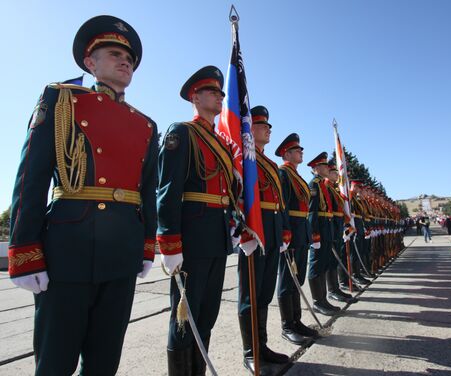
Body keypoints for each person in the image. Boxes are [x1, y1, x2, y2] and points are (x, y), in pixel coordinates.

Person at [8, 15, 157, 375]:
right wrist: (24, 250)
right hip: (68, 248)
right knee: (56, 360)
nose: (125, 62)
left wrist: (147, 244)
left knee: (105, 360)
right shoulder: (62, 100)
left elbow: (147, 191)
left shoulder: (145, 124)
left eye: (130, 59)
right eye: (114, 53)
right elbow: (31, 176)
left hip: (122, 249)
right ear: (90, 63)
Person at [157, 66, 236, 374]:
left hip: (216, 237)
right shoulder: (182, 132)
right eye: (212, 92)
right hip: (191, 238)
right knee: (183, 317)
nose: (219, 97)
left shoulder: (220, 144)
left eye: (220, 93)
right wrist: (169, 242)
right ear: (195, 96)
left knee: (206, 315)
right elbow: (167, 191)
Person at [236, 106, 289, 374]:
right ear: (249, 129)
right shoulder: (244, 158)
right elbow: (238, 196)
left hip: (272, 229)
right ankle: (251, 350)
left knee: (265, 292)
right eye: (262, 125)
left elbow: (280, 203)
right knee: (250, 293)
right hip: (254, 230)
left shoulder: (270, 164)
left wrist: (284, 232)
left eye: (268, 126)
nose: (268, 129)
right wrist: (244, 230)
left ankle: (263, 345)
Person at [275, 133, 318, 345]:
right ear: (287, 153)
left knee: (297, 280)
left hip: (302, 231)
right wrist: (284, 231)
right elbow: (282, 204)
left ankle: (296, 320)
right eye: (297, 150)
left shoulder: (297, 176)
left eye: (300, 150)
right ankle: (287, 326)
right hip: (291, 231)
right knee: (287, 280)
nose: (301, 152)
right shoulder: (283, 173)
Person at [307, 152, 341, 316]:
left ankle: (323, 299)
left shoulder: (322, 185)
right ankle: (317, 301)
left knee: (324, 264)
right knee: (316, 265)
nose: (328, 168)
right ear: (317, 168)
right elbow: (312, 211)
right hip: (319, 230)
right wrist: (314, 234)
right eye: (325, 166)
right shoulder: (314, 184)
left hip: (327, 229)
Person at [325, 163, 356, 304]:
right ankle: (332, 290)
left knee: (337, 258)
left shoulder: (335, 189)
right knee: (332, 259)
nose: (337, 176)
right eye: (334, 173)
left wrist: (345, 223)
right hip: (331, 225)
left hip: (338, 224)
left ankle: (337, 288)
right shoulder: (325, 186)